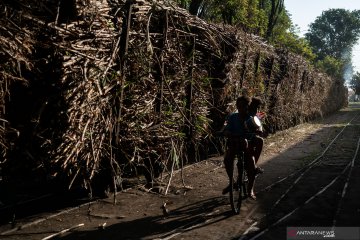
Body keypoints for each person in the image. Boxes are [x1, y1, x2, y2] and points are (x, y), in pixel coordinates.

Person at [221, 96, 257, 199]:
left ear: (247, 107)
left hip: (246, 145)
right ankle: (232, 182)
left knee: (251, 165)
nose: (241, 108)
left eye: (243, 106)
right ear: (237, 106)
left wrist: (252, 135)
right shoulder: (232, 117)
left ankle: (250, 190)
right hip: (235, 144)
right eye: (239, 106)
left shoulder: (251, 119)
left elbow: (254, 132)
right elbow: (227, 128)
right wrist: (227, 132)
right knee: (227, 159)